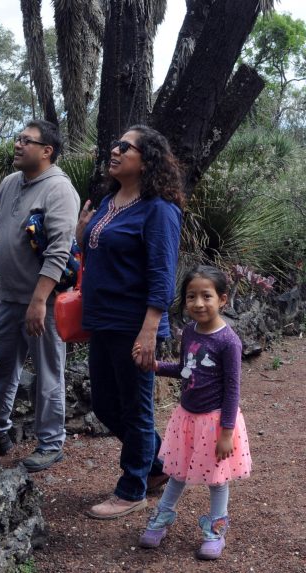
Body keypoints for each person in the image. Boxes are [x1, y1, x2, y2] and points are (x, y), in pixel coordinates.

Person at [76, 125, 183, 518]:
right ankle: (156, 465)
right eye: (115, 144)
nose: (115, 150)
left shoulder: (159, 209)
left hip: (134, 324)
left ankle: (132, 487)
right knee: (105, 406)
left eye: (126, 146)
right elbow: (96, 257)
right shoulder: (108, 201)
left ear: (147, 159)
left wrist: (151, 328)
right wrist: (81, 234)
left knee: (135, 408)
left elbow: (162, 273)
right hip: (102, 321)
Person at [0, 119, 80, 472]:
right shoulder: (10, 183)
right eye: (17, 139)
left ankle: (51, 443)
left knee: (48, 372)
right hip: (10, 299)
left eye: (27, 140)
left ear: (46, 151)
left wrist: (40, 301)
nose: (18, 145)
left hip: (46, 302)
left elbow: (59, 251)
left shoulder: (59, 190)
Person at [136, 265, 252, 560]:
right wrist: (157, 367)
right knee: (176, 472)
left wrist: (226, 433)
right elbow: (187, 369)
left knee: (216, 479)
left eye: (206, 296)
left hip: (214, 422)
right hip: (186, 419)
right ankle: (162, 518)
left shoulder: (228, 342)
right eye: (191, 296)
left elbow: (232, 389)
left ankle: (215, 530)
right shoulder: (189, 332)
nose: (198, 303)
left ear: (222, 299)